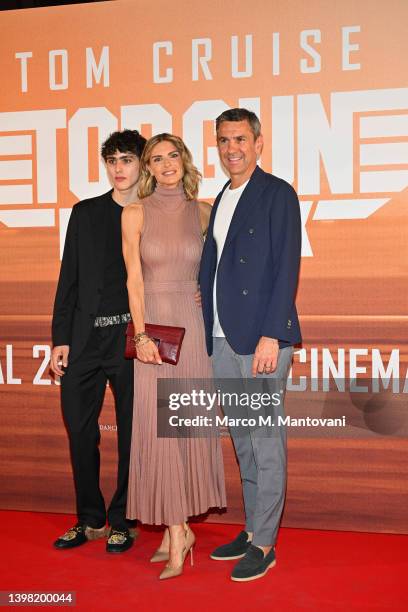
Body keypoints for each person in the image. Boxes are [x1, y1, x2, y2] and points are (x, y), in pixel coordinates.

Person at [199, 108, 302, 582]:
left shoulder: (277, 193)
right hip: (221, 337)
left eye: (240, 138)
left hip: (259, 338)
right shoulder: (221, 196)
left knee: (265, 441)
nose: (231, 148)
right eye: (223, 140)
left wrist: (273, 333)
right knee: (243, 441)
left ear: (259, 142)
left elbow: (286, 268)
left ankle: (265, 542)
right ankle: (251, 527)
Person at [122, 133, 226, 580]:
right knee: (158, 431)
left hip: (193, 325)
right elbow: (133, 281)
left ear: (184, 160)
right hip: (156, 336)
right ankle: (178, 527)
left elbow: (218, 270)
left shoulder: (203, 212)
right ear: (148, 168)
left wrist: (208, 293)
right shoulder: (134, 213)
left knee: (183, 428)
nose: (166, 164)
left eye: (172, 156)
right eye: (156, 158)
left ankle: (175, 529)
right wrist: (141, 335)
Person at [51, 129, 146, 553]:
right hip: (85, 337)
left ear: (141, 163)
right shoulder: (85, 213)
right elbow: (68, 278)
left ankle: (124, 518)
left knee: (132, 432)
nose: (118, 168)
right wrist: (61, 338)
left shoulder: (153, 214)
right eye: (112, 160)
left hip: (131, 336)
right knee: (79, 429)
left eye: (126, 159)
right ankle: (89, 518)